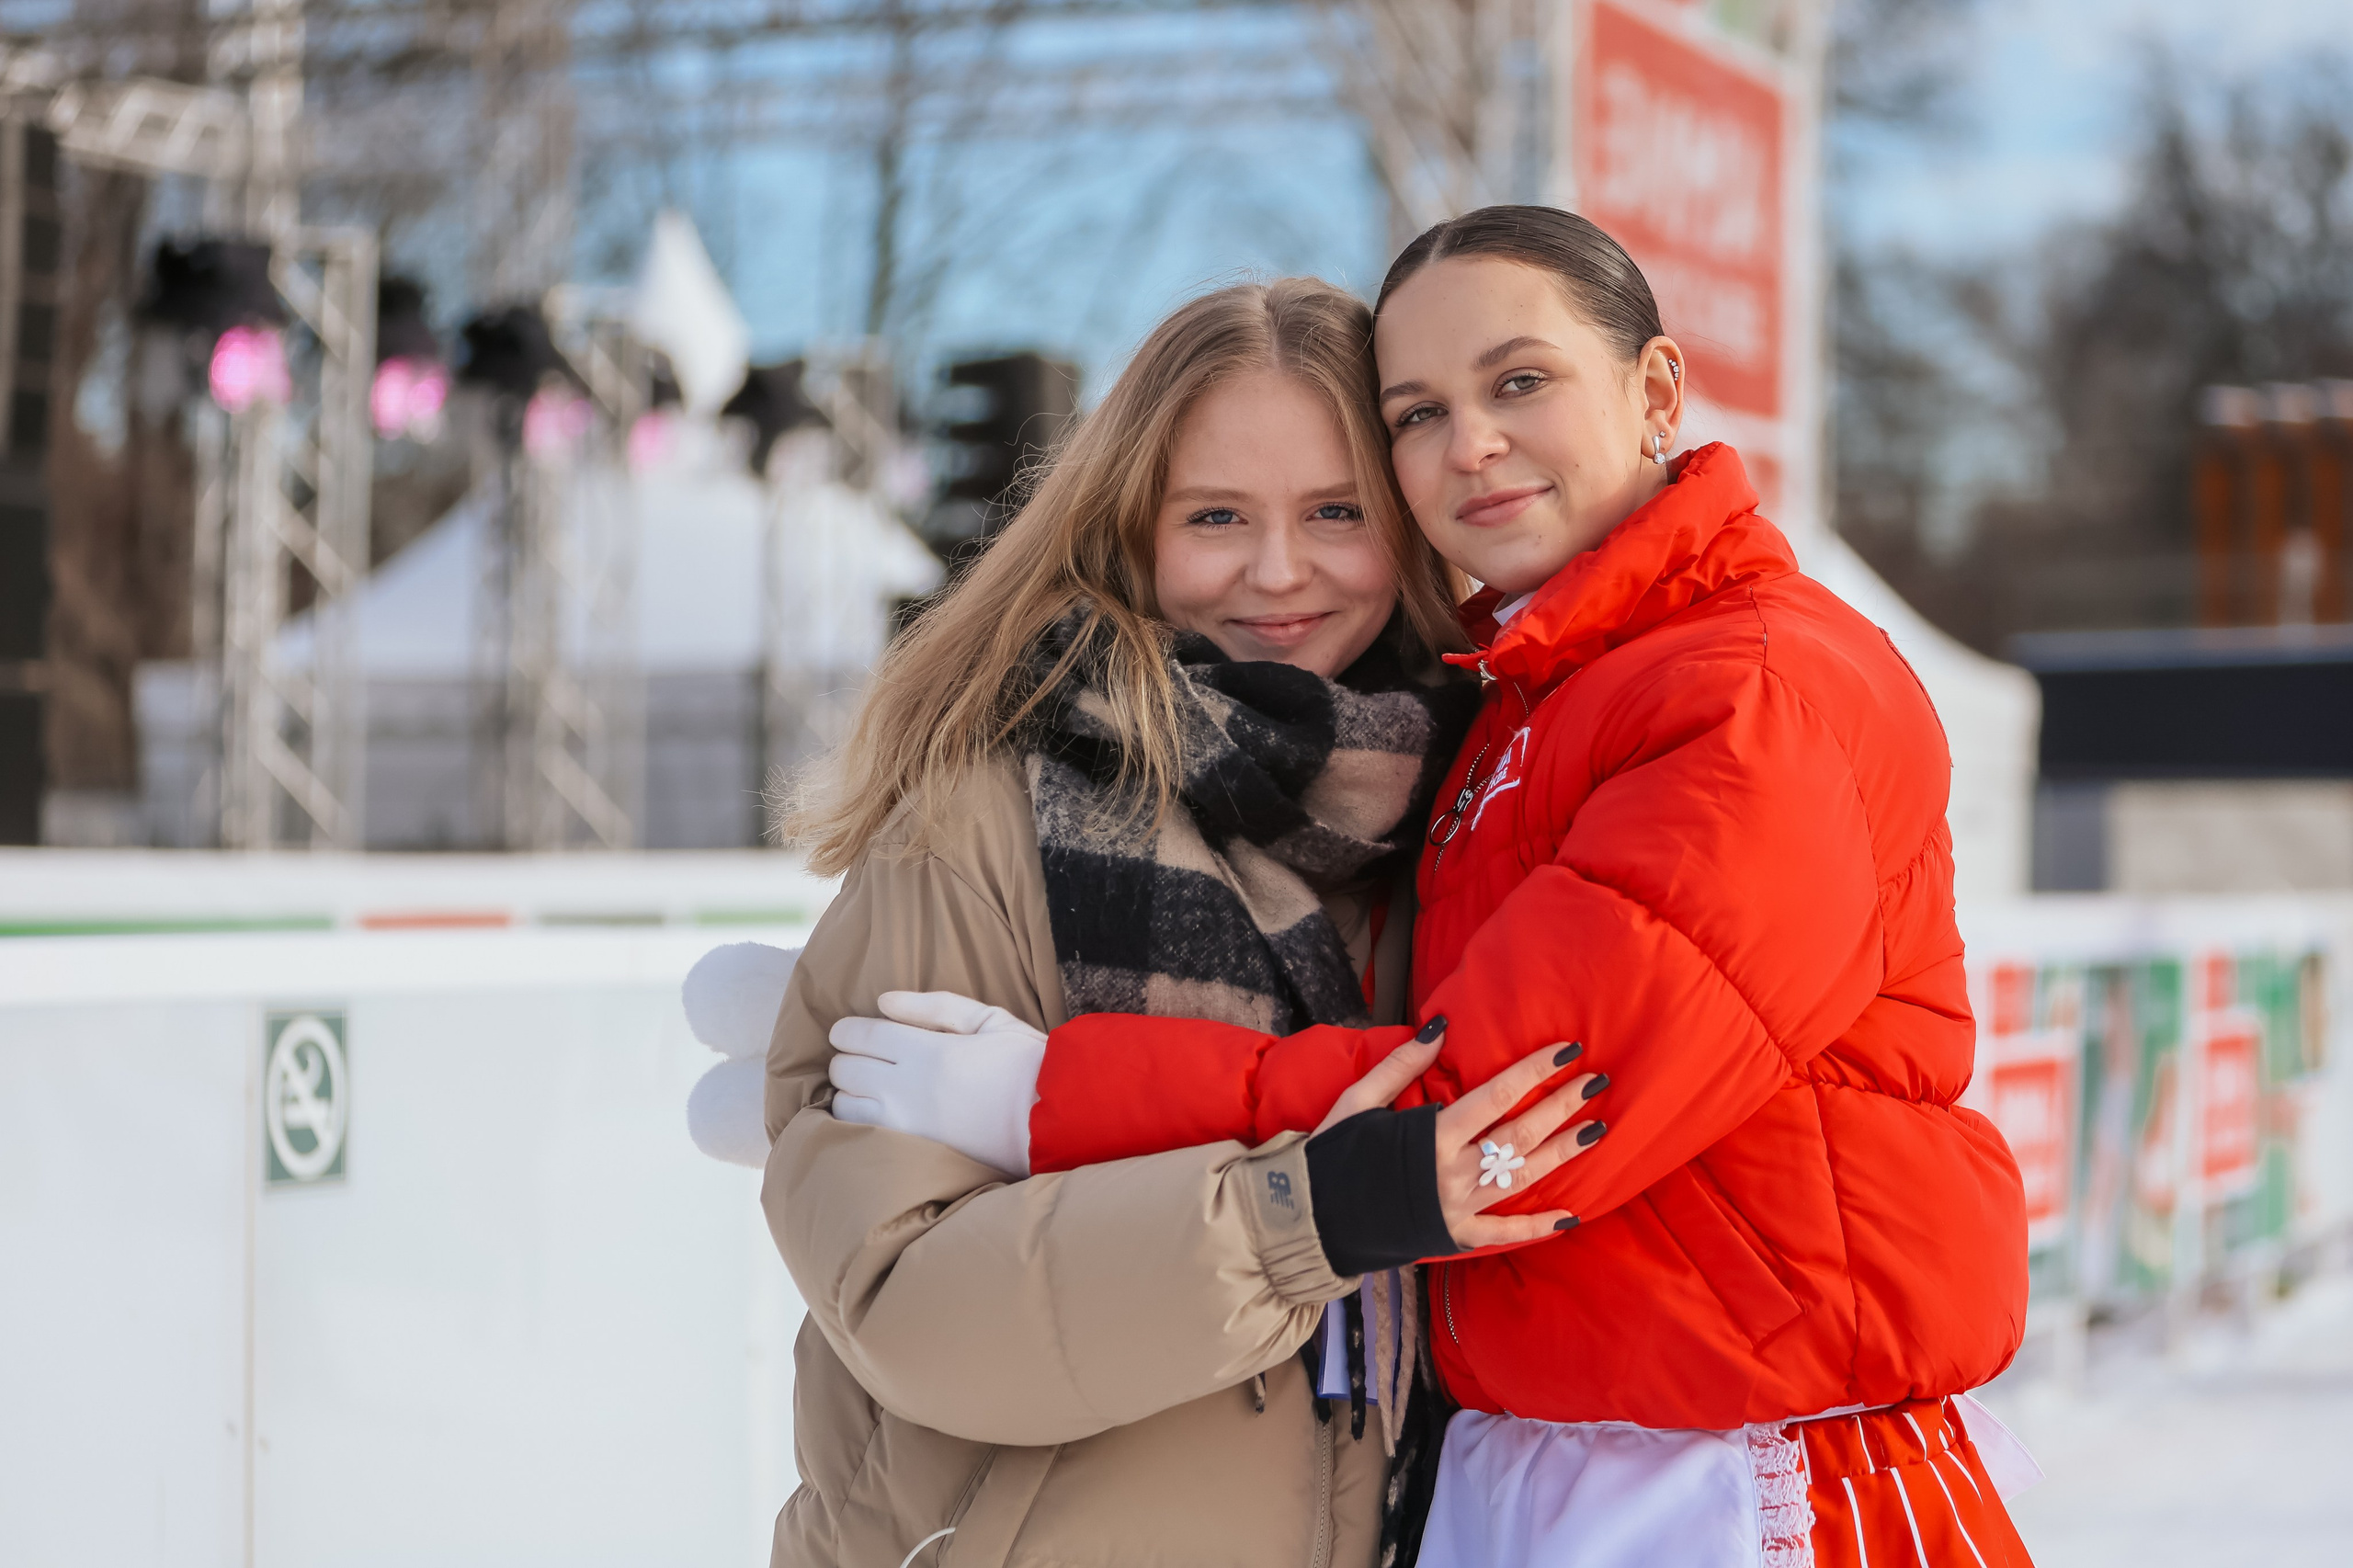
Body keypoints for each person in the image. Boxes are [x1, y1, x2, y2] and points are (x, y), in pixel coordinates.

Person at [835, 208, 2038, 1568]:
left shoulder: (1748, 693)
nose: (1470, 444)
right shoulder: (1478, 731)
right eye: (1417, 411)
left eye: (1518, 381)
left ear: (1655, 390)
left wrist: (1049, 1093)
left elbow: (1503, 1110)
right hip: (1524, 1461)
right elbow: (898, 1266)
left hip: (1737, 1469)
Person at [758, 275, 1614, 1568]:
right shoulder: (989, 811)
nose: (1280, 572)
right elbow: (907, 1298)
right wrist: (1300, 1221)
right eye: (1216, 515)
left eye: (1337, 512)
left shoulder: (1449, 828)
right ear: (1129, 528)